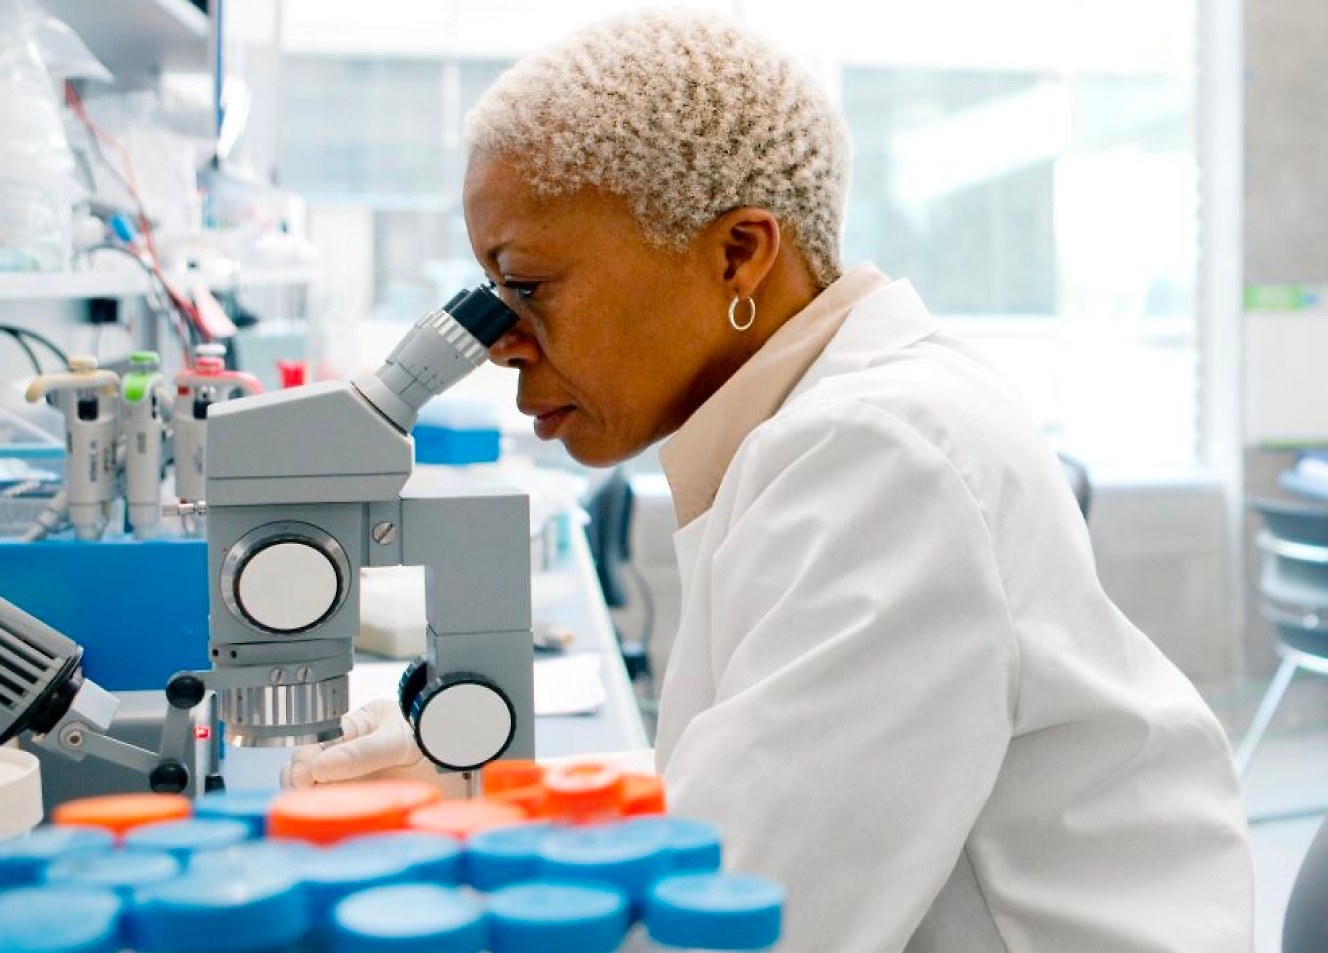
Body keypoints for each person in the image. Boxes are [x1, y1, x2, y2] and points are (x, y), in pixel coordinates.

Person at [284, 9, 1255, 951]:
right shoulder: (820, 432)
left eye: (526, 285)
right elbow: (731, 799)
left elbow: (727, 921)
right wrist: (480, 789)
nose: (501, 346)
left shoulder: (880, 461)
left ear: (738, 253)